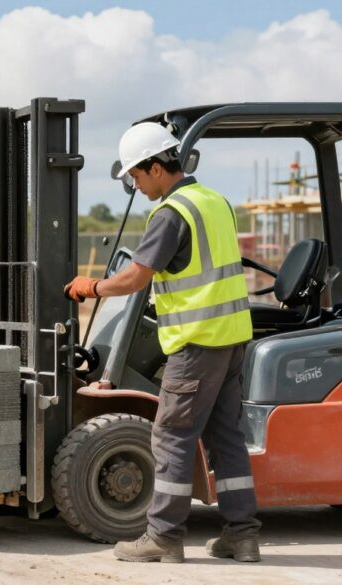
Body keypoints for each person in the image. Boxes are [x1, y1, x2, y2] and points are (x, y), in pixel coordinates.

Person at [64, 122, 262, 564]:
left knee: (172, 437)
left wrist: (91, 287)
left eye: (136, 175)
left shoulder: (171, 213)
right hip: (231, 340)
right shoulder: (216, 201)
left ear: (156, 167)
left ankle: (164, 537)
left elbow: (136, 278)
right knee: (226, 438)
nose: (136, 185)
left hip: (196, 343)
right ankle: (242, 536)